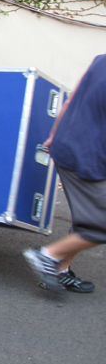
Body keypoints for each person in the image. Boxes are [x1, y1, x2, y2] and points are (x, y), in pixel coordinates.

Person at [22, 54, 106, 293]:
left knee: (88, 216)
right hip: (89, 156)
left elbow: (70, 101)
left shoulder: (101, 60)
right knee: (100, 223)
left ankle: (60, 270)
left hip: (68, 146)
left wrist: (53, 136)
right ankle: (47, 256)